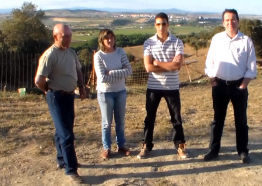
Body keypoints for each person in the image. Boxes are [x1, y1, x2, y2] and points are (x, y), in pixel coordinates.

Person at [204, 9, 257, 164]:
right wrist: (213, 81)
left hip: (239, 87)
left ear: (238, 21)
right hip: (219, 85)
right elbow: (209, 63)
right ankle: (214, 150)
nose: (230, 22)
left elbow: (251, 67)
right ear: (223, 22)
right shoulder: (217, 39)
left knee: (241, 121)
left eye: (233, 19)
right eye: (227, 20)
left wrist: (242, 86)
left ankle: (242, 151)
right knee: (217, 120)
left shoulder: (246, 41)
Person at [35, 24, 86, 183]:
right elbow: (38, 80)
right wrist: (48, 90)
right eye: (66, 36)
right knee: (67, 135)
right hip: (56, 97)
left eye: (70, 35)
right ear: (56, 36)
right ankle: (71, 169)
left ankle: (61, 159)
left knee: (62, 130)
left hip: (69, 97)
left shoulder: (71, 52)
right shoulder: (49, 55)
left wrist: (81, 87)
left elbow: (78, 70)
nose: (69, 38)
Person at [137, 12, 188, 159]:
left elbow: (177, 66)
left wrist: (157, 63)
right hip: (153, 86)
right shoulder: (148, 43)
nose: (161, 27)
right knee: (149, 118)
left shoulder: (177, 42)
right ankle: (146, 145)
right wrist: (169, 65)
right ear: (155, 25)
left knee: (176, 118)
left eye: (164, 23)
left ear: (168, 24)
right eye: (158, 24)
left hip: (172, 87)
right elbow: (148, 68)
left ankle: (180, 145)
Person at [94, 29, 132, 159]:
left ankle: (121, 146)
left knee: (120, 121)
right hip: (105, 93)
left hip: (120, 91)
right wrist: (119, 73)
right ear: (102, 40)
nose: (110, 40)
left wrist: (111, 73)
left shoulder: (120, 52)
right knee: (107, 122)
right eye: (106, 38)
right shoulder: (98, 56)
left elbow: (128, 71)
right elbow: (102, 78)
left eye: (111, 37)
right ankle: (107, 148)